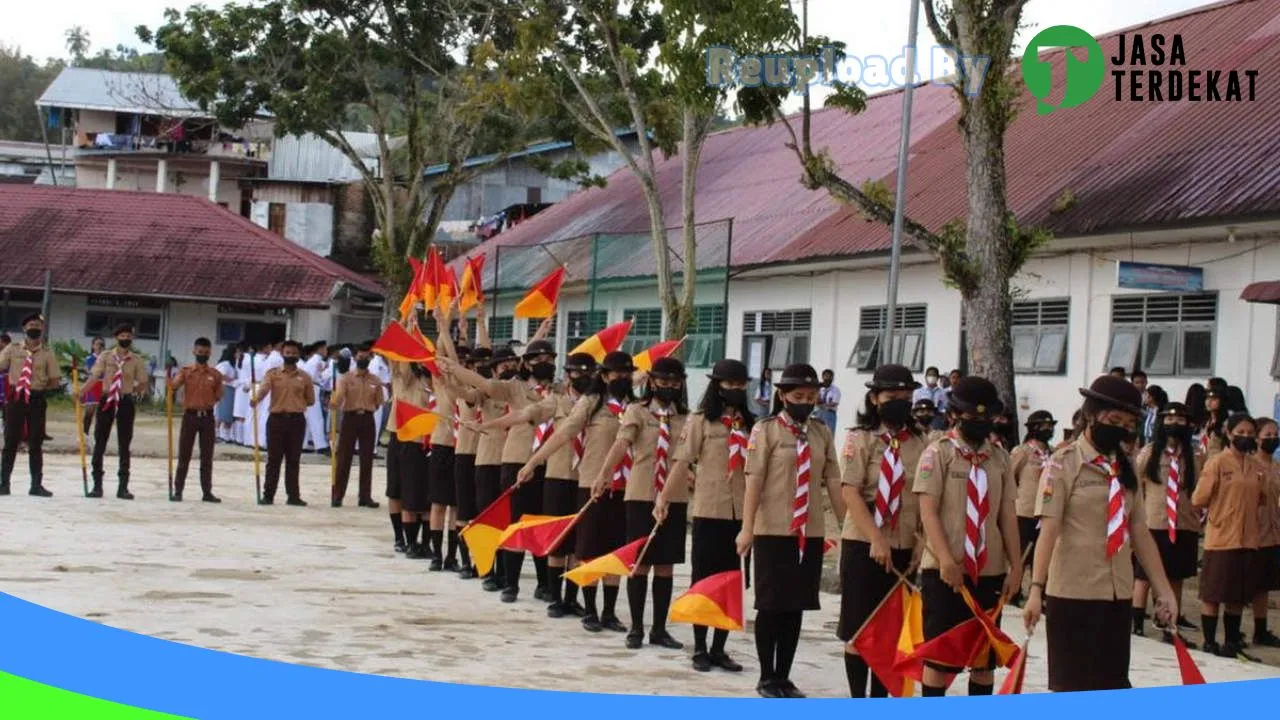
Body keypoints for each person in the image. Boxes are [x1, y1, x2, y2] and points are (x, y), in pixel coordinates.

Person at [1023, 375, 1177, 692]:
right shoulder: (1062, 463)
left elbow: (1140, 532)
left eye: (1128, 422)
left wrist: (1164, 591)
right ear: (1092, 414)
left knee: (1112, 688)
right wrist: (1036, 589)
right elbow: (1048, 531)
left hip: (1116, 595)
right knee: (1073, 689)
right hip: (1073, 595)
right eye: (1114, 419)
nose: (1121, 427)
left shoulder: (1127, 467)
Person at [736, 363, 845, 699]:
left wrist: (847, 527)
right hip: (772, 529)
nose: (805, 402)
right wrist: (747, 528)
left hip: (807, 532)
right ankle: (767, 676)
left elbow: (833, 482)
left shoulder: (820, 433)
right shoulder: (764, 431)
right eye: (798, 396)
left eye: (811, 397)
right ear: (782, 396)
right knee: (771, 605)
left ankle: (785, 675)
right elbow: (753, 480)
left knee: (796, 605)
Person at [913, 376, 1020, 697]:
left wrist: (1016, 567)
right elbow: (928, 512)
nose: (979, 424)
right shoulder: (938, 454)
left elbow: (1007, 516)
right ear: (955, 416)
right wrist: (945, 559)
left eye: (985, 419)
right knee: (939, 657)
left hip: (989, 570)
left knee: (984, 658)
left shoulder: (1000, 458)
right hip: (945, 572)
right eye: (972, 418)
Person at [518, 351, 638, 634]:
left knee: (615, 551)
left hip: (626, 486)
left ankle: (609, 612)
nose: (622, 379)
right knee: (590, 548)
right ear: (605, 376)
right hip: (592, 483)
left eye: (626, 375)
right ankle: (591, 609)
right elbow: (563, 434)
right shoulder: (592, 403)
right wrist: (533, 462)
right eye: (616, 375)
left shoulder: (635, 406)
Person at [477, 352, 596, 616]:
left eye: (588, 374)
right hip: (543, 470)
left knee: (575, 541)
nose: (582, 378)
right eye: (577, 373)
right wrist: (491, 424)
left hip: (579, 477)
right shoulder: (554, 400)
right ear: (568, 375)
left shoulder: (598, 403)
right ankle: (529, 589)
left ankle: (565, 595)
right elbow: (524, 415)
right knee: (537, 531)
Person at [441, 324, 555, 598]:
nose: (545, 364)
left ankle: (544, 585)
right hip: (515, 459)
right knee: (511, 521)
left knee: (539, 523)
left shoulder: (559, 390)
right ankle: (508, 582)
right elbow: (482, 385)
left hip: (547, 463)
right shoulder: (513, 388)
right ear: (527, 364)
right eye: (538, 360)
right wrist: (452, 368)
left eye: (549, 360)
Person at [656, 358, 752, 673]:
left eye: (740, 386)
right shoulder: (700, 421)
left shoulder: (752, 424)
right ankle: (699, 647)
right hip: (710, 510)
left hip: (741, 514)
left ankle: (719, 649)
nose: (735, 390)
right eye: (729, 385)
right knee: (704, 581)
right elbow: (682, 462)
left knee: (730, 583)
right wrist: (664, 498)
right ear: (717, 386)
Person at [837, 364, 925, 698]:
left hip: (904, 542)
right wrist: (875, 537)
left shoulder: (920, 442)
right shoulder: (859, 439)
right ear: (875, 398)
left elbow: (926, 498)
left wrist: (921, 543)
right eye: (892, 396)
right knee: (860, 631)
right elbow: (849, 492)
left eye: (906, 396)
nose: (900, 402)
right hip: (863, 542)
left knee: (891, 632)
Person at [592, 357, 690, 651]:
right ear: (651, 381)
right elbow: (621, 444)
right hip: (640, 494)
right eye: (663, 381)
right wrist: (604, 474)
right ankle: (636, 627)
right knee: (639, 564)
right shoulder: (637, 411)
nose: (669, 387)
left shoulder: (687, 417)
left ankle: (659, 629)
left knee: (665, 565)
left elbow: (687, 455)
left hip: (674, 497)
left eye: (675, 382)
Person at [1192, 413, 1268, 659]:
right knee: (1214, 592)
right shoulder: (1217, 463)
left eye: (1249, 433)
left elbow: (1262, 498)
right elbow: (1199, 498)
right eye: (1241, 432)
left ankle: (1232, 640)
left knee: (1237, 594)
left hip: (1248, 538)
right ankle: (1210, 640)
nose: (1245, 437)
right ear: (1229, 433)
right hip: (1222, 537)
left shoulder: (1255, 466)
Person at [1131, 403, 1203, 642]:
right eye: (1170, 420)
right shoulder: (1150, 453)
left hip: (1183, 524)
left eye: (1181, 420)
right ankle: (1137, 623)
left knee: (1176, 577)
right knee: (1143, 576)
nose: (1176, 425)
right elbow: (1133, 482)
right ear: (1162, 423)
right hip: (1155, 523)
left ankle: (1170, 627)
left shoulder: (1193, 456)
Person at [89, 324, 151, 500]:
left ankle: (123, 487)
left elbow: (144, 382)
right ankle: (97, 485)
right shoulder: (106, 356)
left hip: (125, 401)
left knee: (125, 444)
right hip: (107, 400)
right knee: (100, 441)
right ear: (116, 338)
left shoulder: (136, 360)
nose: (126, 339)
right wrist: (82, 392)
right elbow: (95, 376)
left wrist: (133, 391)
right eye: (123, 336)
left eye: (129, 336)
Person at [0, 315, 59, 497]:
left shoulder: (47, 352)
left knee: (36, 441)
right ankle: (4, 483)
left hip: (36, 399)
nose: (35, 328)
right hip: (16, 397)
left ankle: (36, 485)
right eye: (31, 325)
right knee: (11, 440)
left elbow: (55, 380)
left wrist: (38, 388)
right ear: (24, 328)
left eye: (38, 325)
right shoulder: (13, 349)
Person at [251, 340, 313, 506]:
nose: (291, 355)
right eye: (288, 353)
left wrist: (295, 404)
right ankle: (268, 495)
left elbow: (311, 400)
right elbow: (264, 389)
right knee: (274, 460)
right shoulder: (273, 374)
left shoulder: (305, 377)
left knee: (294, 460)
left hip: (297, 421)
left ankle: (293, 496)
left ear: (299, 355)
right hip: (276, 421)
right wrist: (256, 398)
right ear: (282, 354)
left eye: (294, 353)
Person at [168, 338, 224, 503]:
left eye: (206, 353)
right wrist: (170, 376)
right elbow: (173, 386)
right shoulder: (186, 372)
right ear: (194, 352)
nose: (203, 355)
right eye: (200, 352)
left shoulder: (215, 374)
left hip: (207, 417)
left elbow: (219, 395)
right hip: (190, 417)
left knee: (207, 456)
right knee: (184, 455)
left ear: (210, 353)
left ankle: (207, 492)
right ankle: (178, 490)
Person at [330, 345, 383, 509]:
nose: (363, 360)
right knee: (344, 457)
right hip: (350, 419)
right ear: (355, 358)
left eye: (366, 357)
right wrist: (333, 403)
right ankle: (337, 495)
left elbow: (379, 401)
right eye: (360, 357)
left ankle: (365, 497)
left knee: (367, 459)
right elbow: (339, 398)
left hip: (367, 419)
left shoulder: (375, 380)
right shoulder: (346, 378)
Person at [1011, 410, 1056, 582]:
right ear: (1034, 428)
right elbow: (1010, 478)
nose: (1049, 430)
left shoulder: (1054, 453)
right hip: (1026, 510)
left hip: (1046, 511)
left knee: (1044, 552)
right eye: (1045, 426)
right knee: (1022, 554)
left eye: (1051, 426)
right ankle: (1014, 589)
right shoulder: (1022, 452)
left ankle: (1040, 589)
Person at [1251, 418, 1280, 647]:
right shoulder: (1250, 465)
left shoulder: (1277, 467)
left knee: (1264, 585)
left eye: (1275, 435)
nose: (1272, 439)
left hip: (1273, 531)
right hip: (1251, 531)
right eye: (1267, 435)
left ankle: (1260, 630)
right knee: (1246, 584)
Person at [302, 341, 332, 457]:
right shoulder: (315, 361)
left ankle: (302, 444)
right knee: (316, 418)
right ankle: (321, 445)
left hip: (314, 387)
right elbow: (312, 377)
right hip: (312, 388)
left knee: (308, 420)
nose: (326, 351)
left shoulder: (316, 361)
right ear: (320, 349)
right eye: (325, 349)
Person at [254, 341, 285, 451]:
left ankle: (262, 441)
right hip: (273, 388)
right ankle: (265, 442)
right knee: (269, 416)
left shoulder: (269, 357)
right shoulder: (277, 359)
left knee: (264, 415)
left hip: (268, 387)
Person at [214, 345, 239, 444]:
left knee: (225, 413)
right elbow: (220, 375)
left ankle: (224, 435)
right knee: (222, 412)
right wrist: (231, 379)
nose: (238, 355)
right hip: (225, 388)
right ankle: (218, 435)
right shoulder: (225, 364)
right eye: (237, 352)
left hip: (230, 389)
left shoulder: (233, 364)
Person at [82, 336, 106, 437]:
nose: (99, 346)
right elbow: (88, 370)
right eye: (97, 344)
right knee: (89, 411)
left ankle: (98, 434)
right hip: (93, 384)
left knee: (101, 412)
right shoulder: (90, 358)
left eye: (101, 344)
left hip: (103, 384)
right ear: (93, 346)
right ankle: (84, 433)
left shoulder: (107, 358)